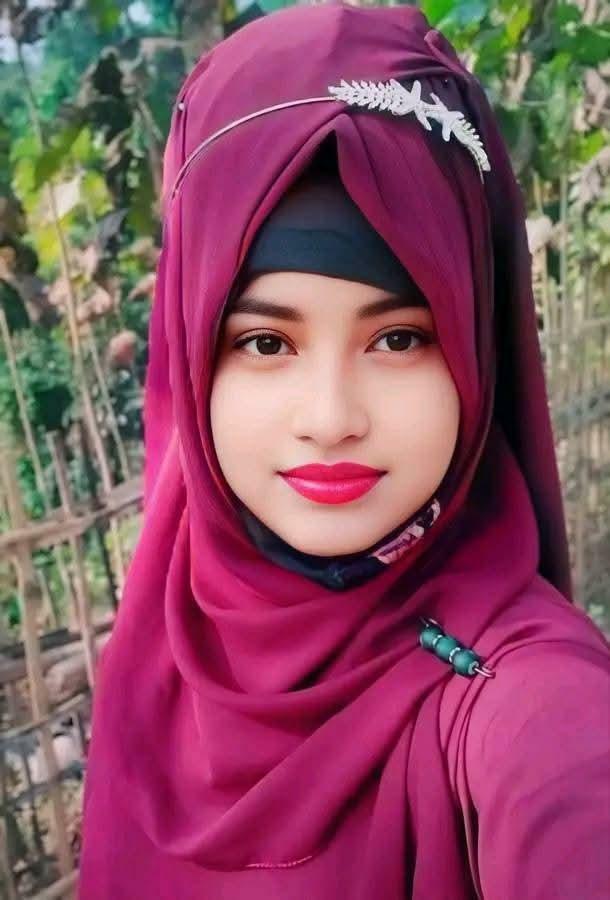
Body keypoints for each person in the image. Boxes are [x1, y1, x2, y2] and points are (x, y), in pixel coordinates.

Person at [78, 4, 610, 898]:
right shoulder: (168, 640)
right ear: (192, 354)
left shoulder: (523, 695)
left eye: (400, 339)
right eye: (265, 342)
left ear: (474, 351)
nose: (330, 419)